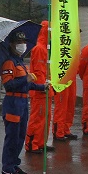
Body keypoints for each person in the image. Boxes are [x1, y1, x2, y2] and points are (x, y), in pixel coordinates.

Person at [0, 31, 48, 174]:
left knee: (20, 136)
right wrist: (25, 79)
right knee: (12, 137)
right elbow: (8, 85)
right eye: (19, 42)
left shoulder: (20, 62)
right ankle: (7, 168)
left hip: (22, 103)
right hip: (12, 103)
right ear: (12, 45)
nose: (22, 45)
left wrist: (41, 87)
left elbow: (27, 86)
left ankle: (14, 164)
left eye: (23, 42)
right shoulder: (9, 63)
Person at [25, 21, 55, 154]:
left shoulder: (46, 49)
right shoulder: (39, 49)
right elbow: (37, 72)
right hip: (39, 91)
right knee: (37, 118)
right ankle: (32, 144)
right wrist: (41, 86)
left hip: (46, 90)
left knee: (46, 118)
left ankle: (41, 142)